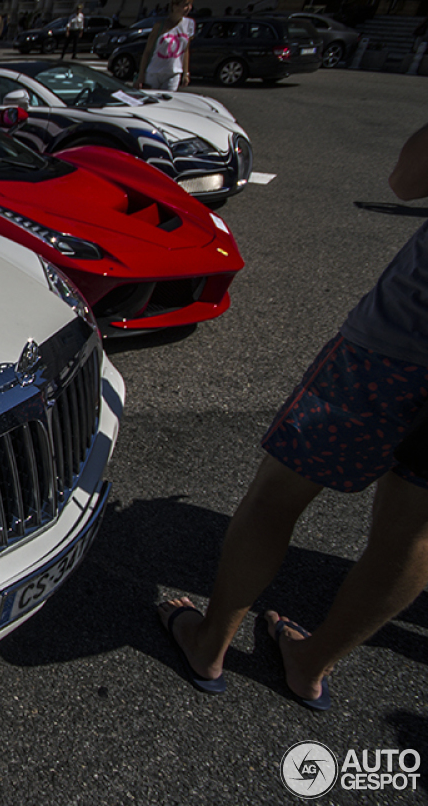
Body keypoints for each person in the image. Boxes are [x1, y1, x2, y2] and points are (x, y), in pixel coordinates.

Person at [157, 121, 428, 712]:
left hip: (398, 348)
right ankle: (312, 663)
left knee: (277, 495)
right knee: (414, 534)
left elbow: (408, 181)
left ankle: (210, 643)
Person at [135, 0, 195, 90]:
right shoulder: (160, 26)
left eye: (190, 5)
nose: (189, 8)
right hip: (154, 72)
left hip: (174, 72)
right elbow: (147, 51)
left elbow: (185, 50)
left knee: (166, 101)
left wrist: (186, 73)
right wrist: (141, 75)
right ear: (175, 6)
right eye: (185, 5)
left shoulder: (189, 24)